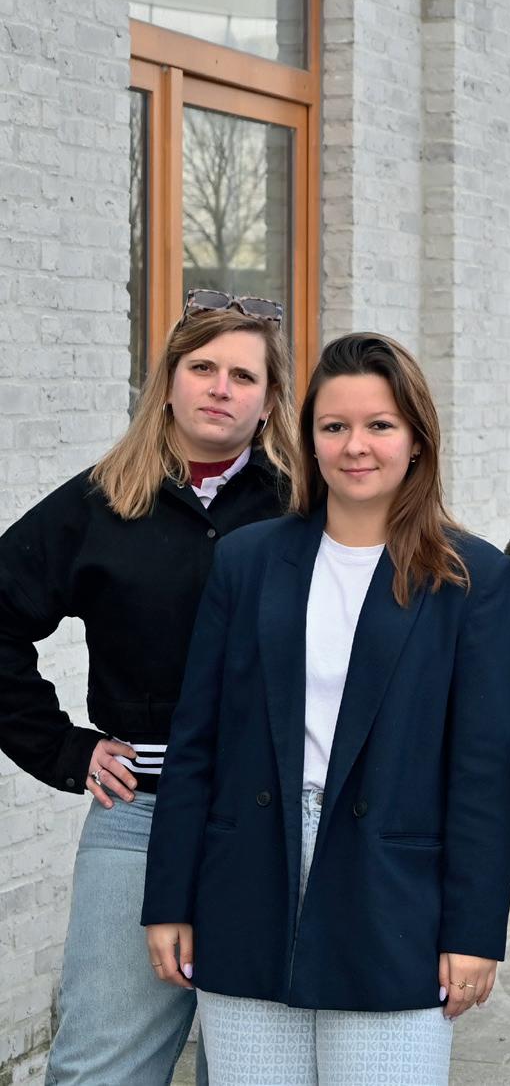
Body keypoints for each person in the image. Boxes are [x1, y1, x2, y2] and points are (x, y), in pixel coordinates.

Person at [142, 333, 510, 1086]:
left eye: (379, 425)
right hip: (249, 878)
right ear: (309, 439)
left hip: (393, 894)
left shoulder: (471, 577)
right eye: (334, 426)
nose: (356, 446)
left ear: (416, 439)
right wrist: (168, 900)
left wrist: (475, 931)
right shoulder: (247, 560)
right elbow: (197, 742)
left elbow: (480, 772)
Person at [0, 293, 296, 1086]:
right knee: (100, 1066)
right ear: (167, 381)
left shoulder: (307, 508)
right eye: (202, 367)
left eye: (244, 375)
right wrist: (63, 749)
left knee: (253, 1071)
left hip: (275, 822)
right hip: (140, 815)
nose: (220, 387)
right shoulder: (100, 501)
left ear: (270, 400)